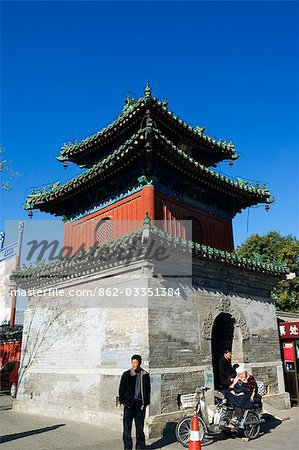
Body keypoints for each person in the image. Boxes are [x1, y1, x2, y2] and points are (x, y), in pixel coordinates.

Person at [119, 355, 151, 450]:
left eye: (136, 363)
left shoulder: (145, 374)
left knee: (139, 428)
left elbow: (148, 389)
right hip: (129, 405)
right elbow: (121, 390)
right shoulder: (126, 374)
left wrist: (146, 403)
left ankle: (140, 447)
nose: (134, 365)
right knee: (127, 429)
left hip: (140, 405)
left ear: (139, 363)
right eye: (133, 363)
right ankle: (128, 448)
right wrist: (124, 402)